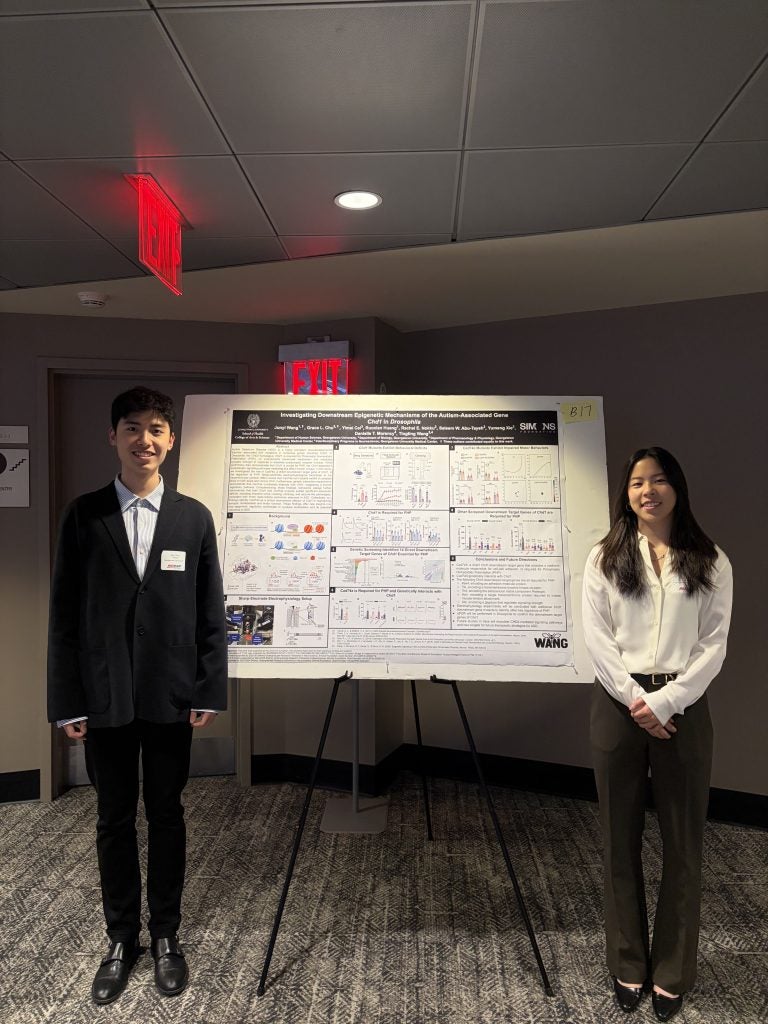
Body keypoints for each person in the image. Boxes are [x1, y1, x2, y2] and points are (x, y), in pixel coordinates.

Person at [47, 387, 227, 1005]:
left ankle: (167, 936)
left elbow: (211, 611)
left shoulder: (193, 517)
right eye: (132, 428)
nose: (144, 440)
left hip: (173, 696)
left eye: (156, 429)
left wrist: (208, 685)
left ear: (171, 440)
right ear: (113, 436)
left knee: (169, 815)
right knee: (113, 819)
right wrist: (68, 700)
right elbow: (64, 617)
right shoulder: (83, 514)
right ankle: (121, 938)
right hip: (105, 698)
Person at [582, 446, 732, 1021]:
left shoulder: (711, 560)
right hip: (617, 706)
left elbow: (714, 644)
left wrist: (667, 700)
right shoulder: (604, 557)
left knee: (683, 845)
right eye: (638, 482)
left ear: (677, 489)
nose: (649, 491)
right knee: (618, 840)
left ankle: (673, 969)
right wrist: (635, 700)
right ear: (627, 493)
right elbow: (596, 638)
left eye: (660, 480)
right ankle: (628, 962)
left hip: (685, 708)